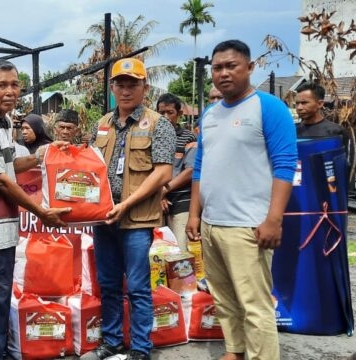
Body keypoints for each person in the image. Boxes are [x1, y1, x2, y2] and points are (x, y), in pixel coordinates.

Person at [186, 40, 298, 360]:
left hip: (248, 226)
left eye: (231, 66)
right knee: (223, 298)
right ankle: (235, 351)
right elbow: (200, 168)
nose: (223, 73)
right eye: (217, 67)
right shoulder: (209, 114)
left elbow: (285, 165)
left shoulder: (268, 107)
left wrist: (273, 220)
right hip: (212, 224)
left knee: (255, 304)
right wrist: (195, 215)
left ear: (249, 68)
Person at [0, 58, 70, 359]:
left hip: (0, 231)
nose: (10, 91)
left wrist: (41, 155)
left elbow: (8, 166)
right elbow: (0, 181)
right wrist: (42, 212)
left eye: (14, 85)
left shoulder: (3, 122)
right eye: (1, 85)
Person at [82, 58, 176, 360]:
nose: (126, 90)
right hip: (104, 220)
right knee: (108, 285)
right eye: (120, 84)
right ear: (112, 87)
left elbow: (163, 173)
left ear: (144, 86)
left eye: (132, 84)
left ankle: (139, 349)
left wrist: (125, 204)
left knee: (137, 288)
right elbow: (91, 167)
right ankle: (110, 342)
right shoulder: (102, 124)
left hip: (136, 220)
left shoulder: (158, 124)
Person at [156, 93, 197, 252]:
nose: (165, 117)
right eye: (161, 112)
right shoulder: (152, 136)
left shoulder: (188, 137)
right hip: (156, 203)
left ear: (179, 114)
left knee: (181, 253)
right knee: (157, 253)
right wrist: (159, 195)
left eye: (170, 112)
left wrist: (164, 190)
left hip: (181, 202)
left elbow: (190, 170)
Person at [294, 82, 349, 146]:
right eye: (297, 103)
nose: (299, 107)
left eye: (304, 103)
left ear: (320, 104)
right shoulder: (290, 130)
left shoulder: (335, 131)